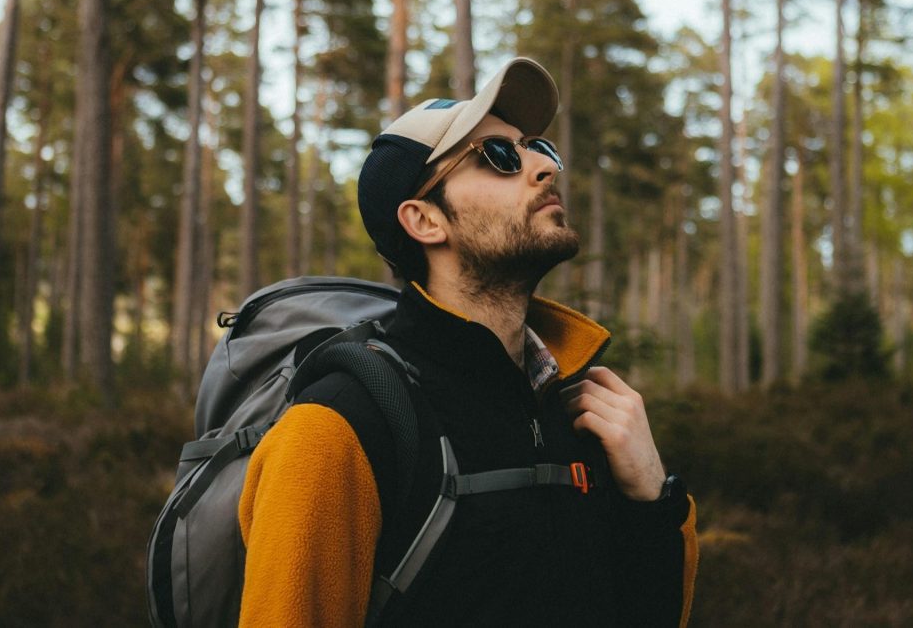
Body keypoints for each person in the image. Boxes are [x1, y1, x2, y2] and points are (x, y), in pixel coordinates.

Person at [238, 57, 698, 627]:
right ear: (426, 221)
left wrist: (654, 501)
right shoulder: (336, 430)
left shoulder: (578, 414)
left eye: (539, 149)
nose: (543, 169)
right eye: (499, 157)